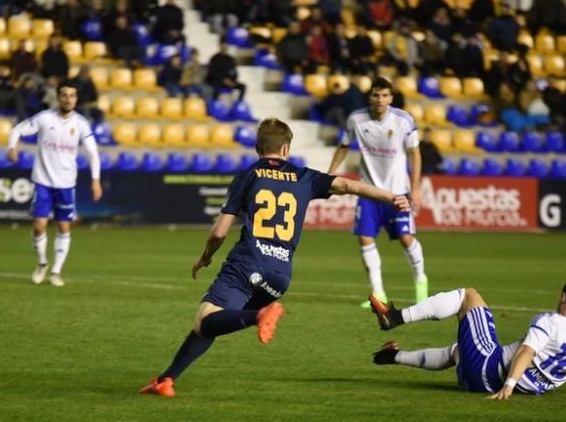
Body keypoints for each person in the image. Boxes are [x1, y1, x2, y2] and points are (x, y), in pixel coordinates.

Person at [139, 118, 410, 397]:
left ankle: (259, 315)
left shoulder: (247, 176)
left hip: (246, 264)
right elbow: (350, 186)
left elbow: (220, 232)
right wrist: (392, 198)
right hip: (280, 277)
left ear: (258, 148)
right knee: (212, 322)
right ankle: (166, 380)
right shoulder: (304, 176)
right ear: (285, 148)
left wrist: (205, 256)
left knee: (206, 320)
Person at [369, 276, 566, 401]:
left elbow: (525, 351)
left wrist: (507, 385)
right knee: (458, 351)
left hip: (490, 372)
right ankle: (394, 357)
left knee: (469, 295)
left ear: (563, 297)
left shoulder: (551, 322)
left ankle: (394, 317)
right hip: (482, 379)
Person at [327, 76, 427, 308]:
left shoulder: (403, 120)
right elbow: (343, 147)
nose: (380, 100)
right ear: (369, 97)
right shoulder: (356, 119)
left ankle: (421, 281)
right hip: (369, 191)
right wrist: (330, 175)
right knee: (364, 237)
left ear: (391, 98)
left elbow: (414, 154)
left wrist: (416, 188)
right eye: (375, 95)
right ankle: (378, 293)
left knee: (405, 238)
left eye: (384, 95)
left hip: (398, 191)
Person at [6, 81, 102, 288]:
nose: (68, 99)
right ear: (58, 98)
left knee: (63, 227)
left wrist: (96, 180)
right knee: (39, 226)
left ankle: (56, 271)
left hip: (67, 184)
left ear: (76, 99)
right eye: (64, 95)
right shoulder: (45, 118)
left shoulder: (81, 123)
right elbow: (17, 129)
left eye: (72, 95)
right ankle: (42, 263)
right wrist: (12, 147)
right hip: (42, 181)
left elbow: (93, 153)